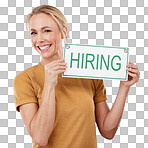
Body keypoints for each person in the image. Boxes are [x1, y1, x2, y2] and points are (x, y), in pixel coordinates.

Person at [13, 5, 140, 148]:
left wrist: (124, 88)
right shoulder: (25, 79)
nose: (39, 39)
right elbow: (41, 138)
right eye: (34, 33)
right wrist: (49, 85)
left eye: (47, 31)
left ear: (63, 32)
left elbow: (107, 131)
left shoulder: (89, 72)